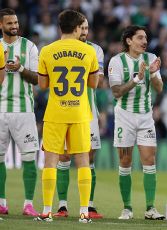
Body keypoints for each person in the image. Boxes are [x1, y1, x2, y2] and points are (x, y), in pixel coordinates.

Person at [35, 9, 99, 223]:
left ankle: (46, 211)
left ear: (60, 27)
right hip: (80, 112)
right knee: (83, 162)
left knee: (50, 162)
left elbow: (42, 85)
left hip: (55, 113)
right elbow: (93, 84)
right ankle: (83, 212)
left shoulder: (47, 50)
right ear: (77, 27)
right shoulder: (89, 51)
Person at [108, 25, 164, 220]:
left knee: (149, 161)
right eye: (140, 38)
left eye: (146, 38)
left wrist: (153, 73)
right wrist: (137, 78)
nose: (144, 41)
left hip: (146, 116)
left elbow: (159, 88)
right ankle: (127, 208)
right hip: (124, 116)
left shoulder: (150, 58)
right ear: (129, 41)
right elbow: (116, 92)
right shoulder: (116, 61)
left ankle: (150, 208)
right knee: (125, 162)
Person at [53, 18, 105, 219]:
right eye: (81, 28)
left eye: (87, 28)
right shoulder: (59, 48)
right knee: (64, 157)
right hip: (64, 109)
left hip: (88, 111)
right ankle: (62, 206)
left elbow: (97, 83)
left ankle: (89, 206)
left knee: (89, 157)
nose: (84, 31)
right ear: (74, 29)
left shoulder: (95, 50)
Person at [0, 8, 40, 217]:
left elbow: (38, 79)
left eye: (16, 22)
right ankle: (1, 202)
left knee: (28, 156)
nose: (14, 26)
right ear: (1, 25)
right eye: (9, 23)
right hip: (0, 111)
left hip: (24, 111)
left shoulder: (29, 46)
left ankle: (28, 204)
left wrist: (21, 68)